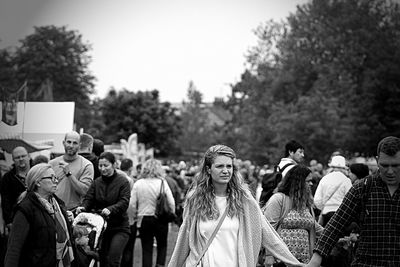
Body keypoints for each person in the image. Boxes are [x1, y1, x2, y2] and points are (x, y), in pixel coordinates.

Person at [168, 145, 302, 267]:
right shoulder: (195, 199)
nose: (225, 171)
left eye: (229, 166)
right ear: (208, 169)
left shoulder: (244, 200)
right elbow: (184, 239)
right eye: (220, 166)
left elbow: (268, 234)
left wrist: (294, 262)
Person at [306, 136, 400, 267]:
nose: (390, 171)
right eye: (384, 165)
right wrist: (315, 260)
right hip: (366, 262)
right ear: (377, 161)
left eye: (395, 165)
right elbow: (336, 225)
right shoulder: (363, 188)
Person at [4, 163, 74, 267]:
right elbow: (14, 247)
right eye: (51, 177)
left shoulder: (58, 204)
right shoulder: (26, 209)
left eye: (56, 177)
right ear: (38, 182)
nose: (56, 180)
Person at [75, 151, 131, 267]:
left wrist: (111, 209)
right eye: (100, 166)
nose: (102, 169)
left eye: (106, 165)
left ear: (114, 165)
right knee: (101, 258)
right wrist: (83, 207)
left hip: (119, 227)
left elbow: (124, 202)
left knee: (113, 259)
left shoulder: (123, 181)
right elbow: (89, 199)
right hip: (100, 228)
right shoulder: (97, 182)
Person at [263, 165, 324, 265]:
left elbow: (315, 227)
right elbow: (269, 228)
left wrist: (333, 236)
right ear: (298, 182)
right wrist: (269, 255)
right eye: (308, 181)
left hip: (303, 261)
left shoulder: (305, 203)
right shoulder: (278, 199)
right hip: (281, 260)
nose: (311, 184)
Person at [130, 159, 175, 267]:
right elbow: (171, 202)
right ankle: (160, 265)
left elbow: (131, 204)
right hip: (161, 218)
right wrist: (172, 214)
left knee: (146, 248)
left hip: (143, 218)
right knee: (162, 246)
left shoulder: (138, 183)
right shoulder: (162, 182)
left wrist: (135, 215)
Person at [49, 131, 94, 210]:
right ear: (63, 143)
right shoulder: (52, 164)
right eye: (69, 142)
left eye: (75, 143)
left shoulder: (86, 165)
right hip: (53, 210)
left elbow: (84, 192)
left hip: (73, 211)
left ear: (79, 146)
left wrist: (69, 174)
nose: (71, 146)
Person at [313, 155, 352, 227]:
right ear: (344, 168)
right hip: (341, 214)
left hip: (326, 214)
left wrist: (323, 207)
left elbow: (317, 200)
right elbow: (350, 200)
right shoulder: (347, 180)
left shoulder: (324, 179)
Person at [0, 146, 31, 235]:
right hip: (16, 220)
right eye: (17, 157)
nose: (21, 159)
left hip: (37, 219)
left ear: (28, 156)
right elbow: (5, 201)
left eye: (23, 156)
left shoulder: (36, 173)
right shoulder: (7, 178)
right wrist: (8, 222)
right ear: (13, 160)